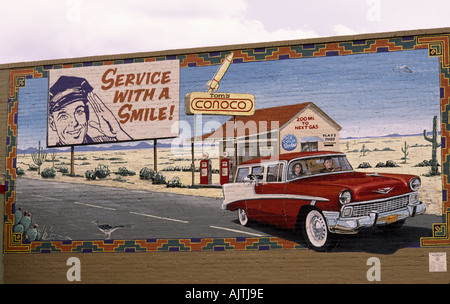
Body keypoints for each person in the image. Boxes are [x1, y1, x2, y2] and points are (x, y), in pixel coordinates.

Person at [48, 76, 132, 146]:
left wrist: (117, 133)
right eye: (63, 116)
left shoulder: (103, 143)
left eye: (79, 112)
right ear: (52, 123)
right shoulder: (52, 158)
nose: (75, 123)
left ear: (87, 114)